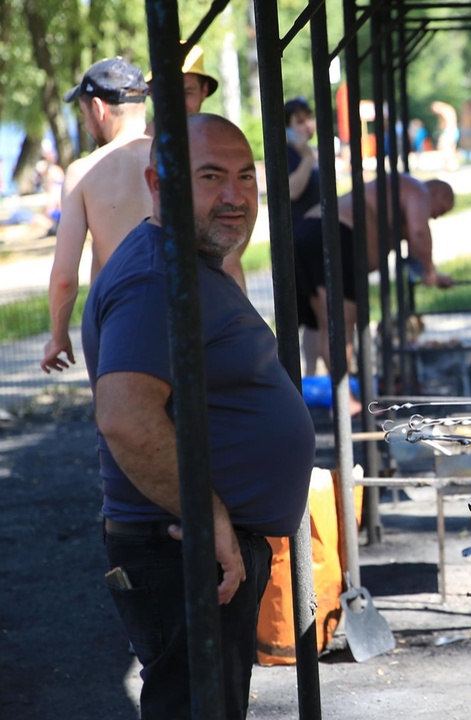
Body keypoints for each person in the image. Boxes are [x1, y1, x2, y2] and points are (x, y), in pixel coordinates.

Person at [81, 113, 315, 720]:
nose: (234, 196)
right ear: (160, 183)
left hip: (199, 546)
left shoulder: (186, 265)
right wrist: (208, 515)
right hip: (182, 548)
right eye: (210, 177)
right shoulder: (156, 279)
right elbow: (125, 418)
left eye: (245, 177)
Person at [41, 57, 153, 374]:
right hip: (187, 307)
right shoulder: (177, 157)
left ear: (99, 109)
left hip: (123, 318)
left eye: (83, 110)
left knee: (120, 419)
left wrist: (58, 337)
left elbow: (64, 277)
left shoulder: (83, 172)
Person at [296, 174, 455, 382]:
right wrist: (429, 271)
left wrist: (431, 272)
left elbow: (412, 238)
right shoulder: (418, 191)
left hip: (309, 232)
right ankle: (345, 400)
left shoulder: (395, 195)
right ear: (436, 193)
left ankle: (330, 390)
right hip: (333, 235)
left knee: (325, 322)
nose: (434, 218)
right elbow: (418, 232)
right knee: (340, 322)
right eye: (440, 211)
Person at [145, 44, 253, 293]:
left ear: (204, 91)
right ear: (151, 92)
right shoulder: (138, 152)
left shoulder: (220, 146)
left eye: (186, 92)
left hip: (219, 292)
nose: (176, 104)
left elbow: (234, 248)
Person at [284, 97, 321, 229]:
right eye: (300, 122)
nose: (307, 125)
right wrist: (307, 157)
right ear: (287, 128)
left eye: (309, 118)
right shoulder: (284, 154)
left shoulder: (312, 150)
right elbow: (292, 191)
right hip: (297, 233)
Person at [430, 100, 460, 171]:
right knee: (451, 149)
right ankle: (452, 165)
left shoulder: (445, 110)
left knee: (444, 148)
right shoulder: (449, 109)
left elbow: (445, 124)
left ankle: (450, 165)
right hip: (453, 131)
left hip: (449, 131)